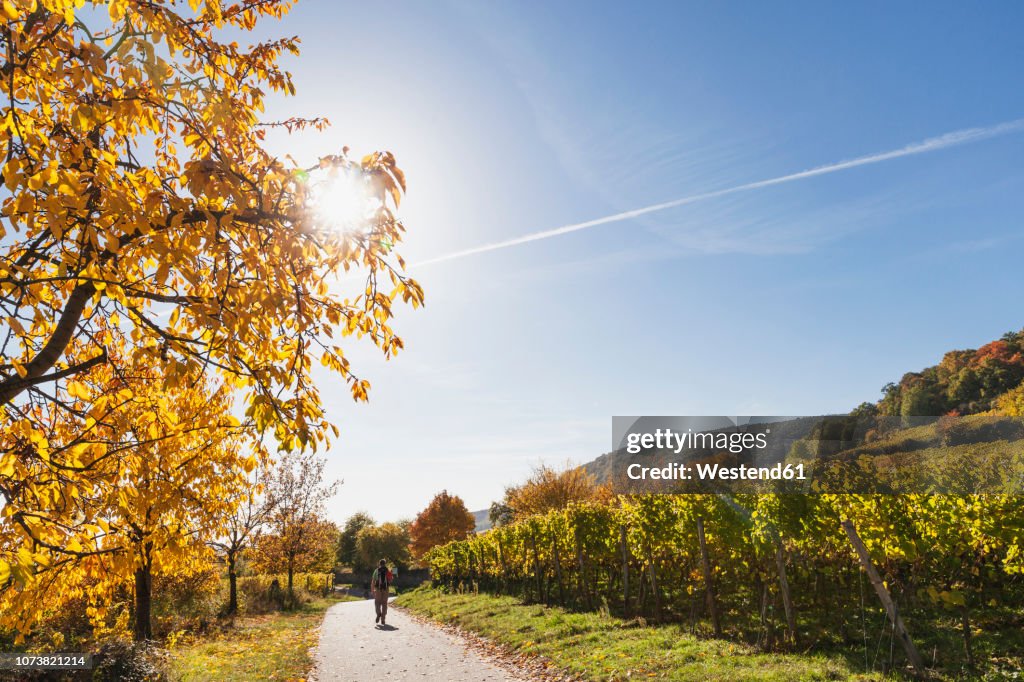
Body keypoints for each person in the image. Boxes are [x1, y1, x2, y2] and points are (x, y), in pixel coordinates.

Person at [371, 559, 392, 625]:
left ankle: (378, 614)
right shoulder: (388, 570)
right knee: (384, 603)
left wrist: (372, 590)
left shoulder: (376, 571)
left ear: (379, 564)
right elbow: (390, 580)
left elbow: (373, 581)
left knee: (377, 602)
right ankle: (383, 619)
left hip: (378, 589)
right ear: (385, 563)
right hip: (386, 589)